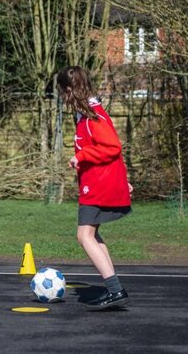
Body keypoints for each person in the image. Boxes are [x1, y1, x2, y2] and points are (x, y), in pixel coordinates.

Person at [56, 66, 132, 311]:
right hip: (98, 182)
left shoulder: (92, 116)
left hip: (99, 185)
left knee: (84, 236)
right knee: (93, 234)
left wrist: (82, 156)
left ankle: (115, 290)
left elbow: (112, 146)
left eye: (62, 92)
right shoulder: (85, 113)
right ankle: (114, 288)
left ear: (69, 90)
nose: (61, 97)